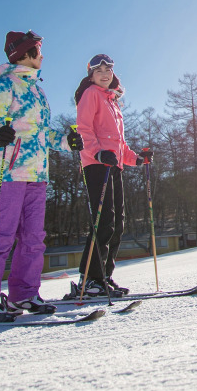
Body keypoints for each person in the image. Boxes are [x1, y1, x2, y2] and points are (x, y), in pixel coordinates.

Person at [0, 30, 84, 323]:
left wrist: (67, 141)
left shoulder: (37, 90)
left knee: (34, 237)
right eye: (39, 51)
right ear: (26, 54)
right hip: (6, 172)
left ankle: (23, 294)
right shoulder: (4, 83)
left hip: (37, 173)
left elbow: (43, 133)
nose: (42, 56)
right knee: (1, 236)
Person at [74, 53, 152, 297]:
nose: (104, 75)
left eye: (108, 71)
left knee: (118, 223)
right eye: (99, 71)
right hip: (96, 165)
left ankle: (104, 277)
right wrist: (98, 154)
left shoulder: (112, 101)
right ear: (91, 76)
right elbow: (84, 130)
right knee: (104, 221)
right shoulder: (91, 94)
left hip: (113, 165)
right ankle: (90, 280)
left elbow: (118, 143)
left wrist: (136, 159)